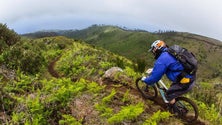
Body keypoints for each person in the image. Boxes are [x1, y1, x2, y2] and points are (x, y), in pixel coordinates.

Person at [141, 40, 196, 111]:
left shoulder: (162, 59)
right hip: (189, 77)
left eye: (153, 51)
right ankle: (174, 100)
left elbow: (154, 78)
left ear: (157, 49)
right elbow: (170, 64)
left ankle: (175, 111)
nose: (153, 53)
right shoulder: (170, 51)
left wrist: (146, 80)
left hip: (185, 82)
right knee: (172, 90)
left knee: (168, 95)